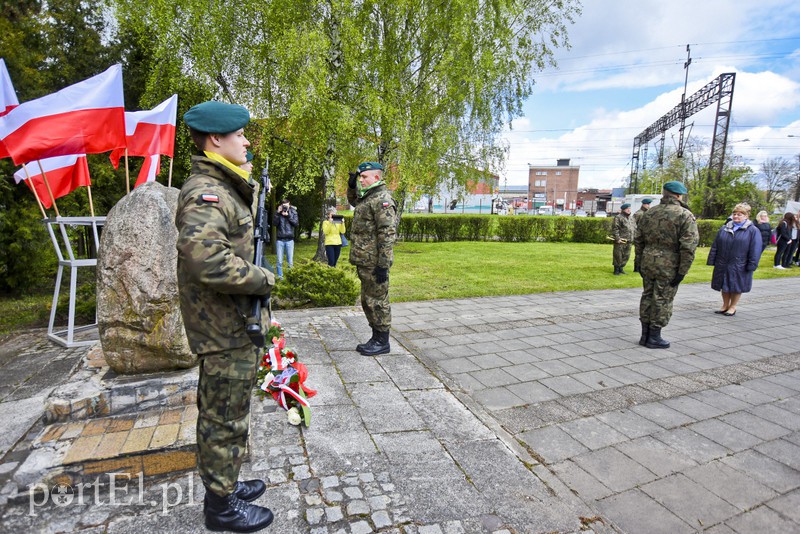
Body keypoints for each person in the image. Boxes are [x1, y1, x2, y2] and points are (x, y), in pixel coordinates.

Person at [175, 101, 275, 532]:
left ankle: (226, 483)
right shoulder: (206, 192)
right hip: (222, 327)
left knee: (231, 411)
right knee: (222, 418)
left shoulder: (223, 185)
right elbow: (207, 261)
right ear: (216, 139)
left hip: (230, 322)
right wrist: (263, 279)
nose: (246, 140)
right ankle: (220, 507)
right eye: (239, 134)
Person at [633, 181, 698, 349]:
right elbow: (688, 246)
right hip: (669, 265)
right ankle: (654, 336)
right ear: (679, 195)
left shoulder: (650, 212)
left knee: (648, 295)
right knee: (663, 298)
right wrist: (682, 271)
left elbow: (638, 240)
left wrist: (639, 261)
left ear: (664, 193)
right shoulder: (684, 215)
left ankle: (645, 335)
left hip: (648, 261)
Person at [347, 161, 397, 356]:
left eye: (364, 177)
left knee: (377, 301)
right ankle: (376, 337)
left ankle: (382, 341)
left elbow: (387, 234)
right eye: (360, 177)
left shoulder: (382, 199)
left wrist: (383, 265)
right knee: (368, 300)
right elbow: (355, 202)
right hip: (365, 260)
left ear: (376, 177)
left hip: (375, 262)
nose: (361, 180)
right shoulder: (369, 196)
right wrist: (351, 187)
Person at [707, 203, 762, 316]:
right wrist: (712, 259)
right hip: (723, 262)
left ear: (746, 216)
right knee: (724, 284)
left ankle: (732, 306)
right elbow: (715, 245)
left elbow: (755, 249)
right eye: (734, 214)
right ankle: (725, 305)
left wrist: (752, 264)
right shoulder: (724, 228)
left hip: (740, 264)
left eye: (739, 214)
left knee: (736, 286)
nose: (736, 216)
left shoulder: (753, 230)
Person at [273, 198, 298, 279]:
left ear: (289, 204)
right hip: (280, 240)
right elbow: (274, 224)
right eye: (283, 205)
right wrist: (278, 213)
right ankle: (280, 277)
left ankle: (290, 277)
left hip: (290, 240)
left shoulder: (293, 212)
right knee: (279, 261)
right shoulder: (278, 212)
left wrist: (288, 215)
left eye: (286, 205)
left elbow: (296, 223)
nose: (285, 207)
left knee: (290, 261)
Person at [612, 203, 634, 275]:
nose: (629, 210)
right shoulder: (618, 217)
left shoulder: (631, 218)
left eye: (629, 208)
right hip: (621, 240)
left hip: (629, 240)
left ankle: (621, 268)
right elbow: (615, 228)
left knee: (626, 255)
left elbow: (634, 228)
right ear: (623, 210)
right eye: (627, 209)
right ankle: (616, 269)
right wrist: (617, 238)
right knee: (618, 255)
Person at [632, 198, 652, 274]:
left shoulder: (648, 213)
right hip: (639, 237)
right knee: (639, 253)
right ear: (643, 204)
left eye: (649, 204)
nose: (649, 206)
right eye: (647, 204)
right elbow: (633, 224)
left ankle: (643, 267)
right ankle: (637, 268)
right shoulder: (638, 213)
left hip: (646, 236)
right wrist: (636, 234)